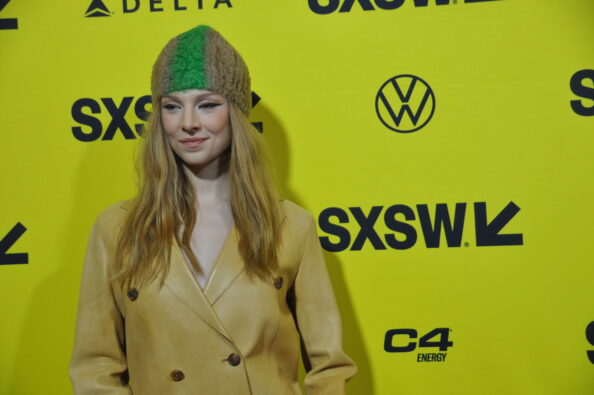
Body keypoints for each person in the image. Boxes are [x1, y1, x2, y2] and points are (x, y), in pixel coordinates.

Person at [69, 24, 357, 394]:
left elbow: (329, 368)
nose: (189, 123)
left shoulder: (291, 227)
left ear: (235, 113)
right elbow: (96, 367)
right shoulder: (116, 229)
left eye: (207, 104)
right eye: (172, 106)